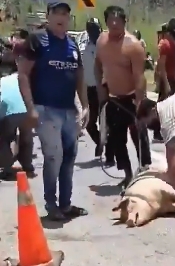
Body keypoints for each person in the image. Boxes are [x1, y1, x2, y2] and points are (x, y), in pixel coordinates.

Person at [17, 1, 89, 220]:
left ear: (69, 18)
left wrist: (85, 105)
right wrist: (30, 109)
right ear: (48, 16)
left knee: (69, 157)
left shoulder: (72, 44)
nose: (61, 17)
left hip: (69, 110)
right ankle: (51, 204)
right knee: (53, 156)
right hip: (46, 109)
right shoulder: (37, 40)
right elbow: (23, 75)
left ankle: (66, 204)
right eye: (56, 13)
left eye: (65, 14)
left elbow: (79, 76)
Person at [94, 5, 151, 182]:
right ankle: (127, 173)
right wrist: (100, 88)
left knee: (139, 135)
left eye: (117, 20)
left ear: (124, 21)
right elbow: (97, 65)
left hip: (132, 97)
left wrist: (140, 101)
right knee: (117, 139)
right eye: (110, 19)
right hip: (113, 98)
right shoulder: (101, 41)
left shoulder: (133, 45)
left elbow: (139, 76)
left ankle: (145, 169)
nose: (114, 23)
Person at [0, 40, 35, 180]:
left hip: (9, 111)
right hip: (25, 108)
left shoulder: (2, 81)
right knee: (26, 137)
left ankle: (7, 168)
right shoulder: (20, 78)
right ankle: (27, 165)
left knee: (5, 139)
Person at [154, 17, 175, 142]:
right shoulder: (165, 43)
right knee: (162, 108)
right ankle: (157, 132)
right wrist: (165, 83)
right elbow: (161, 65)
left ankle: (168, 130)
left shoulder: (174, 42)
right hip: (167, 78)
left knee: (172, 107)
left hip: (172, 78)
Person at [81, 17, 105, 158]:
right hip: (90, 89)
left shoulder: (105, 44)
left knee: (106, 123)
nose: (94, 32)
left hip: (104, 88)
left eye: (95, 28)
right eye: (91, 29)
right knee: (90, 124)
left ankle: (109, 152)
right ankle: (100, 143)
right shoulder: (85, 45)